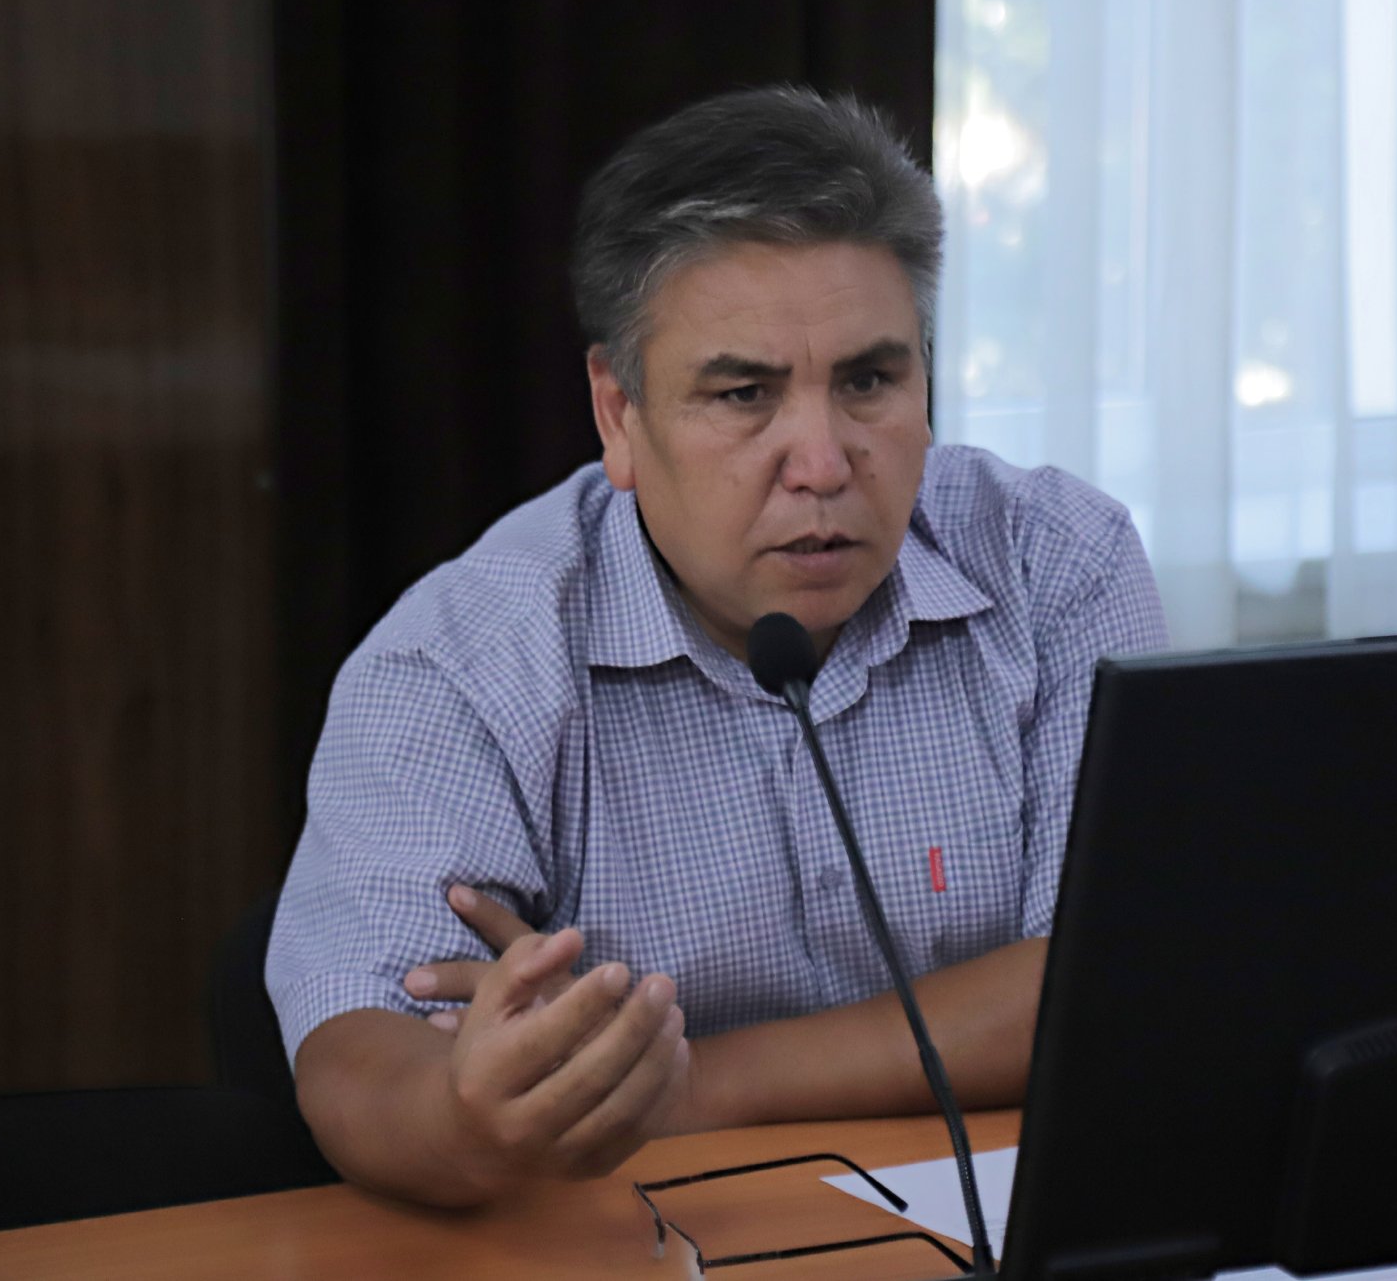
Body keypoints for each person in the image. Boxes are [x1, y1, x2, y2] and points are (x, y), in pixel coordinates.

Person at [267, 85, 1167, 1206]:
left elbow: (1119, 983)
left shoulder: (1055, 563)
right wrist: (472, 1109)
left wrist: (691, 1083)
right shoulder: (462, 659)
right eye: (744, 394)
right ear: (618, 414)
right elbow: (357, 1051)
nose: (823, 463)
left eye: (869, 381)